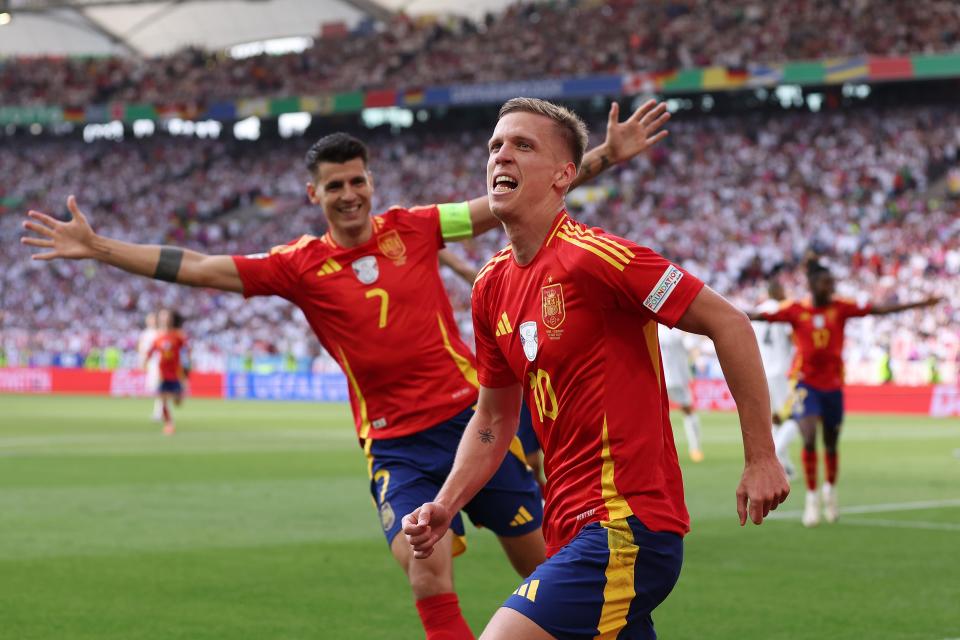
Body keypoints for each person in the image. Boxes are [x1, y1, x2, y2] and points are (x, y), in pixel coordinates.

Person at [21, 99, 670, 640]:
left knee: (547, 567)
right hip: (398, 446)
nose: (350, 193)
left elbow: (510, 199)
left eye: (358, 180)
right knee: (425, 565)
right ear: (315, 194)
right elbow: (198, 266)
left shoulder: (416, 228)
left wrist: (604, 156)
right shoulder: (297, 265)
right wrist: (98, 247)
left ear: (370, 183)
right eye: (336, 185)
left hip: (472, 425)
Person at [403, 97, 789, 640]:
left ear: (565, 175)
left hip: (626, 524)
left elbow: (729, 322)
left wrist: (761, 456)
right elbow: (493, 419)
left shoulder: (601, 259)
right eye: (495, 145)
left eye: (522, 145)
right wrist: (446, 504)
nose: (501, 156)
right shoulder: (490, 286)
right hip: (564, 526)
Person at [750, 259, 940, 527]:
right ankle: (812, 499)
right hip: (806, 384)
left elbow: (878, 310)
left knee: (830, 443)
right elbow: (759, 316)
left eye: (833, 284)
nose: (832, 288)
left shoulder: (841, 308)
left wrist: (918, 304)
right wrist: (719, 313)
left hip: (833, 387)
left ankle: (830, 491)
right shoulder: (795, 310)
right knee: (807, 436)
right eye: (827, 283)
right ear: (813, 285)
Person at [751, 274, 799, 478]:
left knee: (777, 420)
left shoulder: (759, 311)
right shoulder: (783, 310)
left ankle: (785, 468)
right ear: (777, 292)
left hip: (763, 371)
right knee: (796, 417)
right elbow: (793, 337)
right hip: (782, 371)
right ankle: (776, 455)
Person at [657, 324, 703, 462]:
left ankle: (694, 448)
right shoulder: (679, 328)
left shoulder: (658, 327)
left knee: (658, 414)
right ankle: (695, 448)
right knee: (688, 411)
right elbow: (693, 348)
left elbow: (692, 347)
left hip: (663, 377)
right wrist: (697, 360)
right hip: (673, 378)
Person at [147, 308, 188, 436]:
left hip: (176, 373)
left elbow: (186, 351)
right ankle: (169, 424)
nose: (165, 318)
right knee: (163, 399)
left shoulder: (178, 335)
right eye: (163, 316)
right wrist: (145, 362)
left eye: (167, 316)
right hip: (162, 374)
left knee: (177, 402)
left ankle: (179, 394)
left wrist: (187, 369)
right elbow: (151, 351)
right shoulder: (157, 336)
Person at [137, 310, 163, 421]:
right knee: (153, 388)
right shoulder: (145, 333)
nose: (150, 321)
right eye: (149, 319)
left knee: (159, 388)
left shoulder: (159, 332)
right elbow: (141, 348)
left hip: (158, 363)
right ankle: (160, 411)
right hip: (150, 364)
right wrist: (142, 362)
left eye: (152, 318)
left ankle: (159, 412)